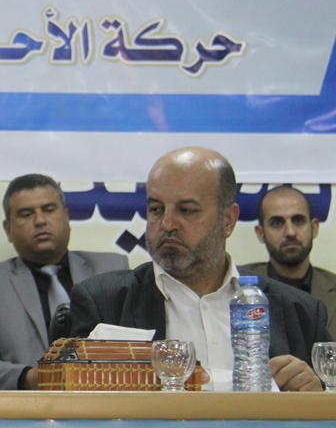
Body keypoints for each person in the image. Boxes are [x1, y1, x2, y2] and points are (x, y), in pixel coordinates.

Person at [69, 146, 330, 391]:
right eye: (156, 209)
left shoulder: (300, 312)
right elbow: (75, 405)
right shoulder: (104, 304)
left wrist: (317, 397)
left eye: (187, 210)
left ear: (228, 220)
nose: (167, 223)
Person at [0, 174, 128, 390]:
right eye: (26, 214)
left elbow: (139, 344)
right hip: (29, 406)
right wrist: (31, 377)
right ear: (8, 229)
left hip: (108, 399)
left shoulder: (112, 268)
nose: (40, 220)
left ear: (66, 217)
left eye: (49, 210)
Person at [239, 185, 336, 337]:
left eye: (298, 221)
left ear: (314, 228)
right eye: (277, 223)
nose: (290, 232)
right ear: (260, 233)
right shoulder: (237, 286)